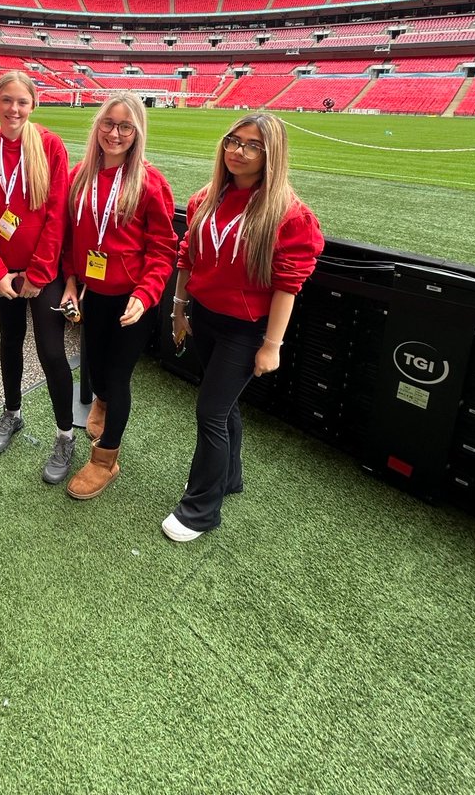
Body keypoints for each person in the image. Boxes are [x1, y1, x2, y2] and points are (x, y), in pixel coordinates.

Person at [163, 113, 324, 543]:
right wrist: (179, 310)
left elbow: (287, 285)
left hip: (246, 329)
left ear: (271, 154)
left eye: (252, 145)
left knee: (210, 412)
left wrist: (272, 345)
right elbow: (187, 259)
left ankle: (200, 511)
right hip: (206, 318)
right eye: (233, 141)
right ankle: (227, 478)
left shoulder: (289, 214)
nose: (238, 151)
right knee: (225, 406)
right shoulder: (207, 198)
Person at [61, 94, 176, 499]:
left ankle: (105, 459)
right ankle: (103, 404)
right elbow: (71, 238)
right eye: (108, 123)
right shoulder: (80, 176)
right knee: (95, 365)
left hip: (132, 299)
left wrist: (146, 295)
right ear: (98, 126)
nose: (115, 133)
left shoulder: (150, 182)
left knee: (118, 375)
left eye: (125, 126)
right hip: (95, 291)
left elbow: (164, 249)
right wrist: (72, 282)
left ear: (137, 132)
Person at [0, 70, 75, 482]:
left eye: (22, 102)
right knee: (10, 342)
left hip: (40, 274)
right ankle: (12, 412)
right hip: (1, 277)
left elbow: (56, 214)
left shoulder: (48, 146)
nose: (14, 109)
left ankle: (65, 434)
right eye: (7, 100)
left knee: (51, 351)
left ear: (33, 106)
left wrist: (38, 273)